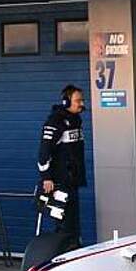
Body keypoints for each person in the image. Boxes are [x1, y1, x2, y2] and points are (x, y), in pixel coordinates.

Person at [37, 84, 87, 244]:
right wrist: (46, 178)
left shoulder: (75, 120)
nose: (82, 104)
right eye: (78, 100)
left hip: (72, 180)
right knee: (63, 224)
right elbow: (44, 152)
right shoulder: (55, 121)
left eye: (82, 100)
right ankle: (62, 254)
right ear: (66, 102)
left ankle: (73, 249)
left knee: (73, 223)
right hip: (59, 182)